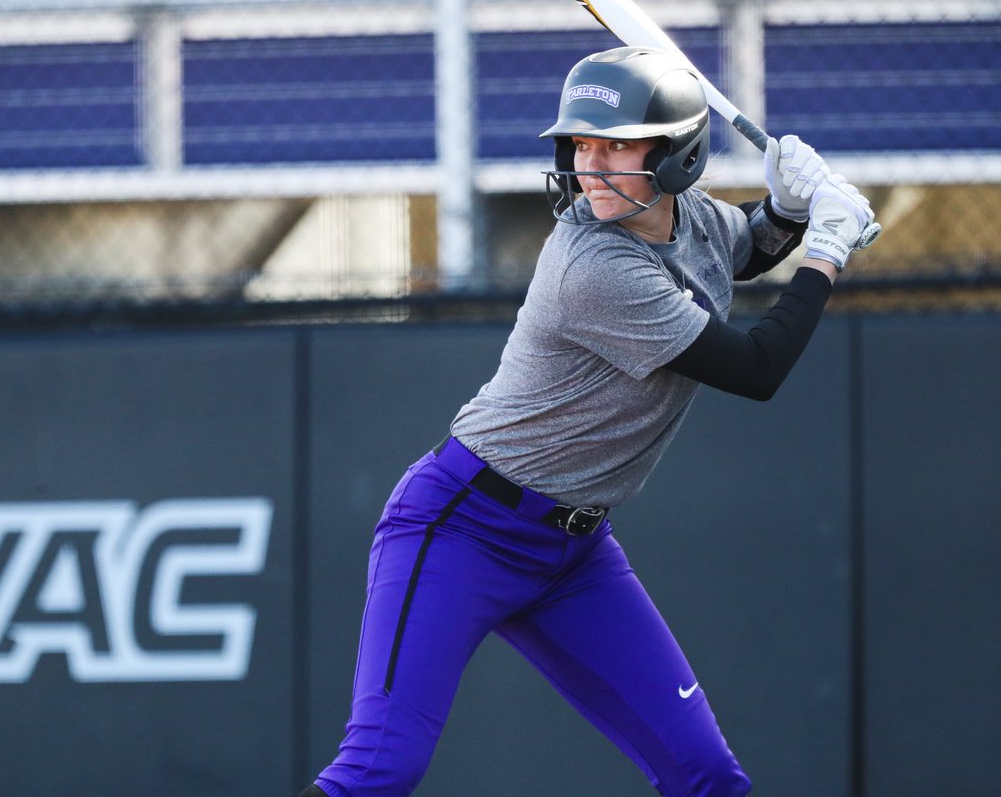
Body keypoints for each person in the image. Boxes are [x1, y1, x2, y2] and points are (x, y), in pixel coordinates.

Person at [298, 46, 877, 797]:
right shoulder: (593, 264)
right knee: (381, 768)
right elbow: (756, 369)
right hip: (461, 528)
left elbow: (739, 250)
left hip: (574, 552)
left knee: (706, 775)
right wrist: (826, 251)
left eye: (617, 145)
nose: (591, 164)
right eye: (582, 143)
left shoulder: (690, 218)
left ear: (676, 158)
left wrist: (790, 212)